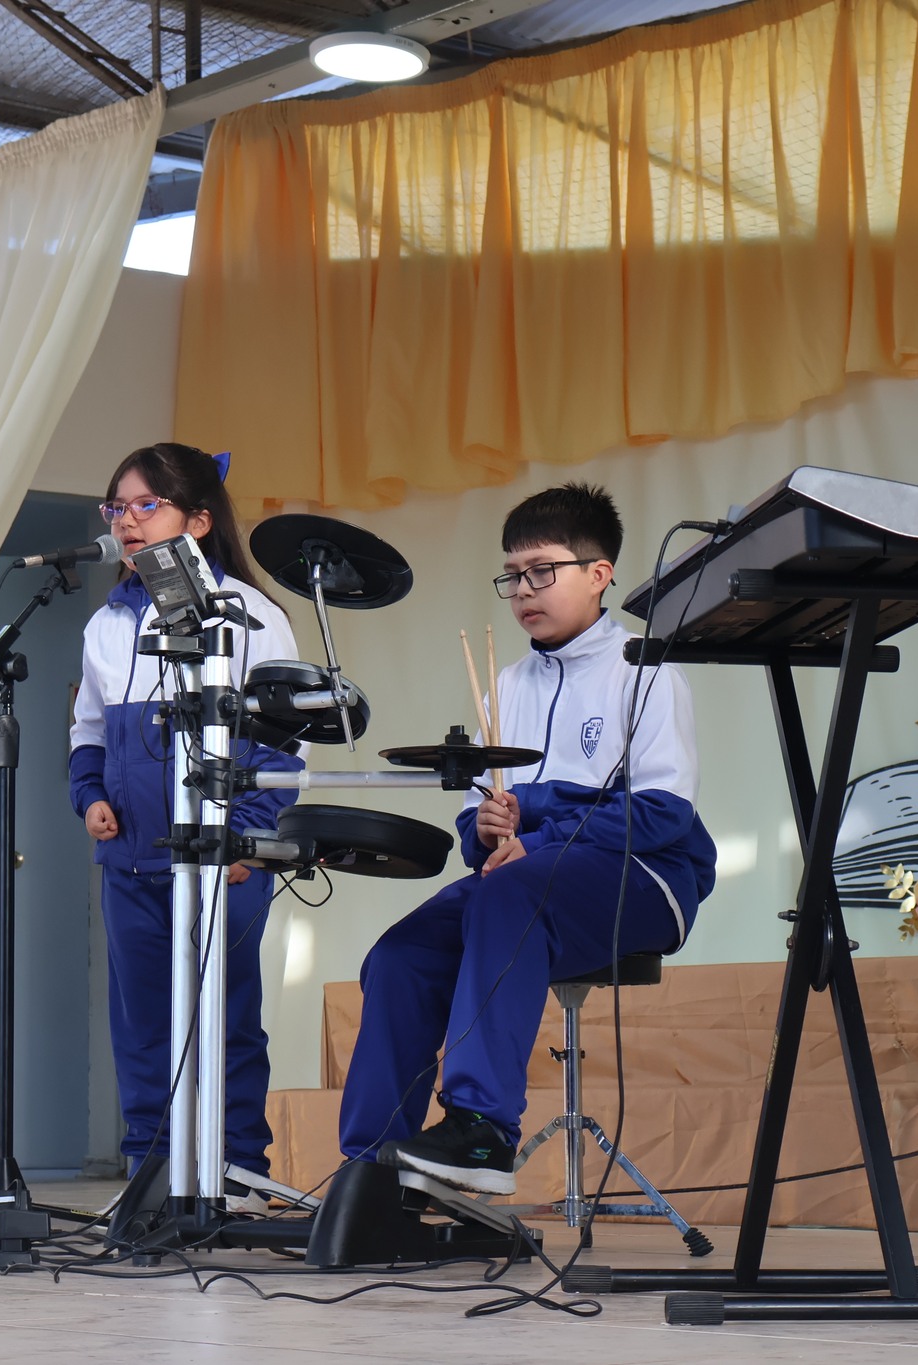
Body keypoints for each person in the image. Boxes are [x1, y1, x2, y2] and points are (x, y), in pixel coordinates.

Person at [338, 483, 716, 1193]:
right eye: (513, 574)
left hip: (645, 877)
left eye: (543, 570)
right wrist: (484, 832)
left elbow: (664, 813)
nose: (522, 590)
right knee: (400, 955)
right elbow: (483, 831)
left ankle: (482, 1129)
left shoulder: (645, 666)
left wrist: (537, 828)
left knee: (510, 896)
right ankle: (372, 1170)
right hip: (524, 884)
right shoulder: (506, 683)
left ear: (599, 573)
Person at [68, 443, 304, 1201]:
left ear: (199, 522)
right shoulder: (106, 624)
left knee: (226, 1020)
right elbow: (88, 730)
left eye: (146, 505)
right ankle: (150, 1171)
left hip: (224, 862)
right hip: (131, 863)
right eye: (117, 507)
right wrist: (89, 796)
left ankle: (236, 1171)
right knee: (142, 1029)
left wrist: (251, 833)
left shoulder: (254, 615)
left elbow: (283, 741)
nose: (127, 522)